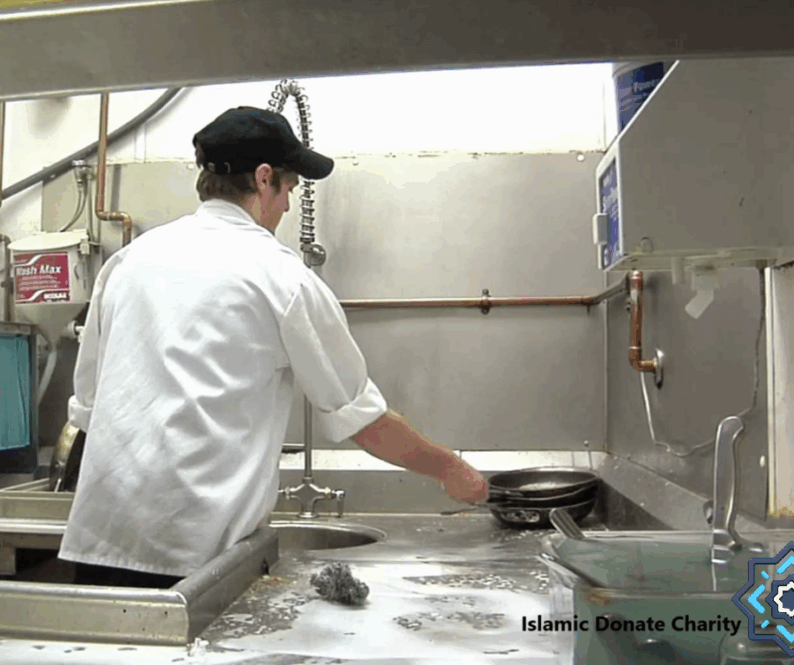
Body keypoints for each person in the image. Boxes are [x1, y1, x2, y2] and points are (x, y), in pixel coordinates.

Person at [58, 106, 489, 588]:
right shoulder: (281, 277)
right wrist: (450, 468)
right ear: (264, 180)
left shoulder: (126, 263)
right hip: (196, 561)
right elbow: (361, 418)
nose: (286, 207)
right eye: (290, 189)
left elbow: (88, 407)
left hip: (100, 547)